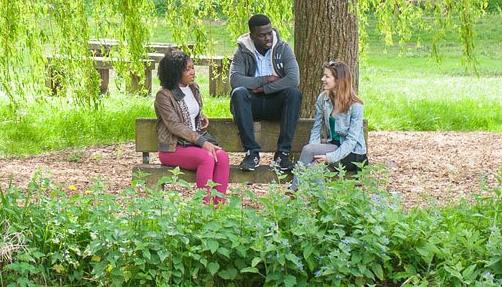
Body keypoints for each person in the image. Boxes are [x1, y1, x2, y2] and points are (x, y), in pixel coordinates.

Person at [153, 51, 231, 204]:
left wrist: (200, 116)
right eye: (187, 69)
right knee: (206, 158)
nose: (193, 72)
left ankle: (218, 209)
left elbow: (190, 111)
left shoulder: (193, 88)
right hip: (173, 148)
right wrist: (202, 142)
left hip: (191, 144)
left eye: (192, 68)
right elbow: (175, 125)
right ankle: (204, 208)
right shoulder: (164, 95)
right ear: (175, 72)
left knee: (222, 157)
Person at [229, 14, 303, 172]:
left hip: (275, 102)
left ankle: (282, 154)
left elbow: (293, 79)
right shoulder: (242, 51)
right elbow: (236, 80)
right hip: (251, 104)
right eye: (262, 35)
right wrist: (266, 79)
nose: (268, 38)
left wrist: (265, 88)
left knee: (294, 93)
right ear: (252, 36)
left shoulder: (283, 48)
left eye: (269, 33)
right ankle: (251, 153)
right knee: (239, 92)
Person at [297, 61, 368, 173]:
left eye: (327, 76)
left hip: (352, 155)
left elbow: (351, 141)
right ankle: (305, 190)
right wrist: (315, 151)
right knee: (312, 167)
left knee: (310, 155)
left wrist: (330, 158)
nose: (322, 79)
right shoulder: (323, 98)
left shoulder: (356, 106)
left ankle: (292, 190)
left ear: (339, 80)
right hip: (332, 147)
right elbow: (316, 128)